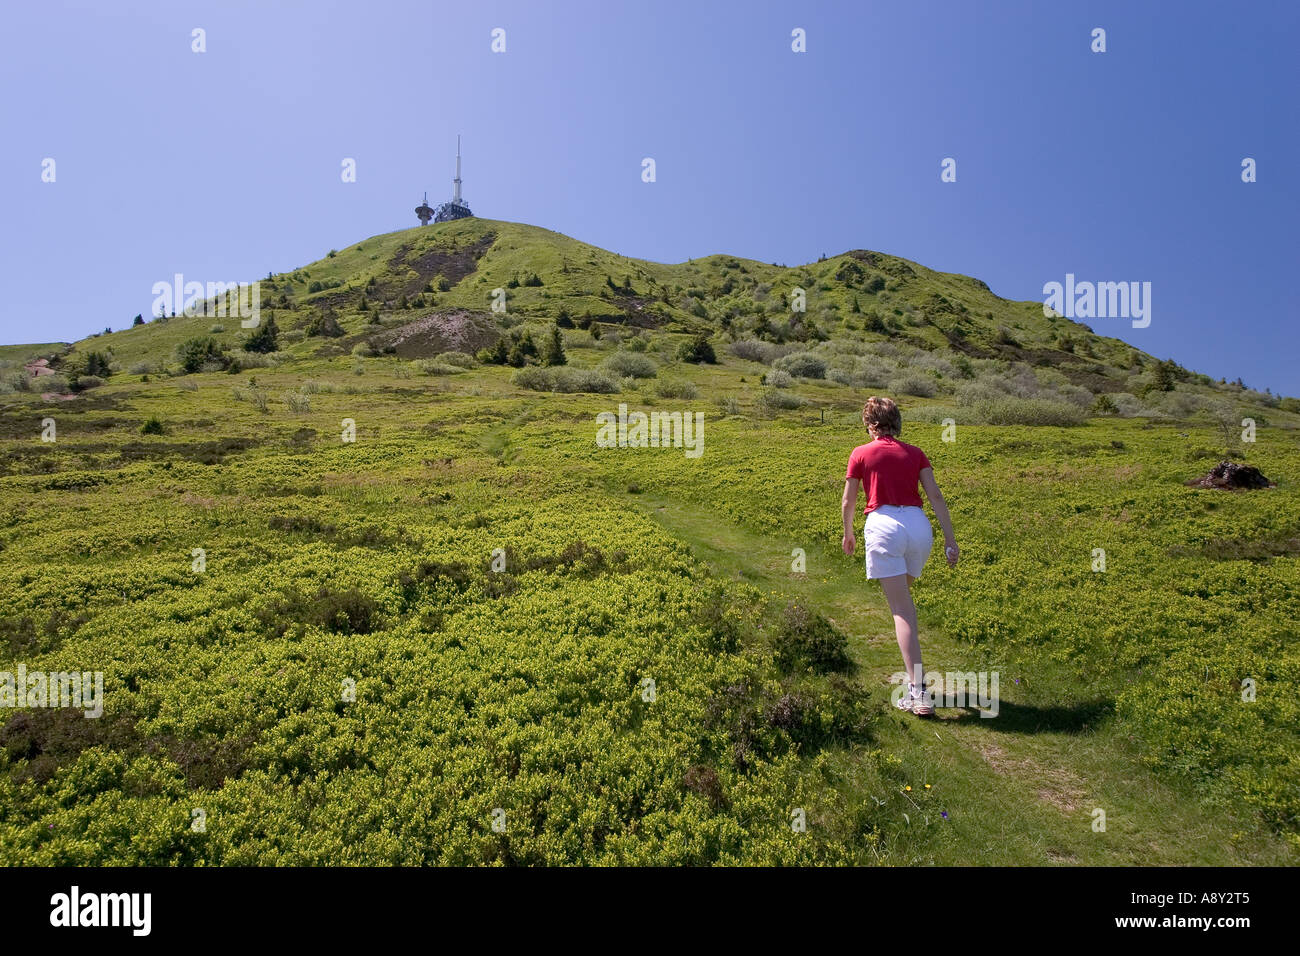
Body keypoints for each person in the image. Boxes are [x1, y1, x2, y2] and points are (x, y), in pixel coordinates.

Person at [841, 397, 958, 716]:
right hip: (919, 528)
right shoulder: (915, 453)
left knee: (902, 610)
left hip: (883, 525)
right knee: (903, 601)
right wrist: (950, 539)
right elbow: (934, 495)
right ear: (897, 422)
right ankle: (915, 681)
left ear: (870, 423)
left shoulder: (861, 453)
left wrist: (848, 532)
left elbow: (848, 500)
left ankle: (918, 692)